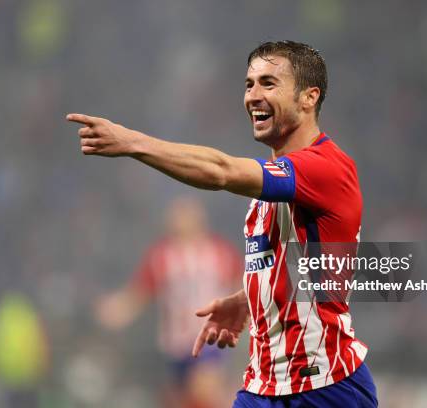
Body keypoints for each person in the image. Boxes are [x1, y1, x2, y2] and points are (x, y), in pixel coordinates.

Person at [67, 40, 378, 407]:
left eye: (269, 83)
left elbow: (221, 171)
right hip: (263, 386)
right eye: (249, 84)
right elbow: (300, 265)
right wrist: (248, 299)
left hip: (326, 387)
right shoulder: (266, 196)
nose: (253, 96)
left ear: (309, 98)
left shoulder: (327, 167)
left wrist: (133, 142)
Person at [94, 195, 242, 408]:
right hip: (176, 343)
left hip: (210, 337)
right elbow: (140, 292)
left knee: (204, 390)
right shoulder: (161, 256)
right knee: (182, 399)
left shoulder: (221, 252)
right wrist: (118, 310)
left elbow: (243, 284)